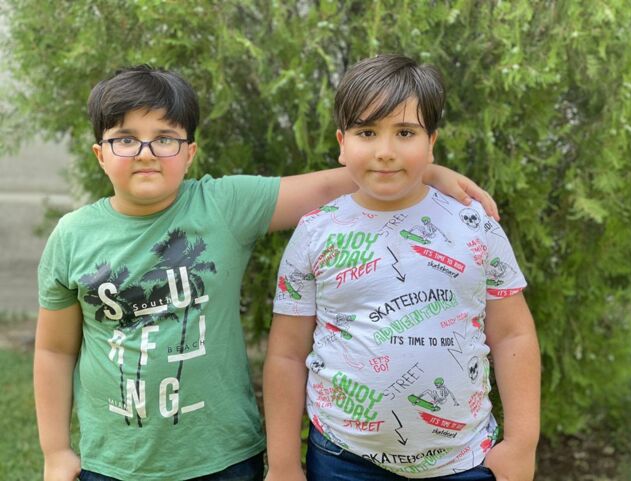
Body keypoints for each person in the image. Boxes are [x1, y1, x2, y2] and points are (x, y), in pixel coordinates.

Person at [34, 64, 497, 481]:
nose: (146, 152)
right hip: (113, 464)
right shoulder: (72, 236)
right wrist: (56, 451)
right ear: (100, 153)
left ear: (190, 152)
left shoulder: (223, 206)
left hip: (223, 459)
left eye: (165, 138)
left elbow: (331, 184)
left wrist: (425, 173)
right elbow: (55, 350)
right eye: (125, 138)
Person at [264, 54, 540, 481]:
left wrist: (522, 444)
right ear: (341, 143)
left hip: (463, 461)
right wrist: (283, 463)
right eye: (367, 132)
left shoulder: (474, 224)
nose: (385, 151)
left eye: (405, 132)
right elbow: (286, 354)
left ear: (432, 143)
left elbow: (512, 334)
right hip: (343, 460)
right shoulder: (316, 232)